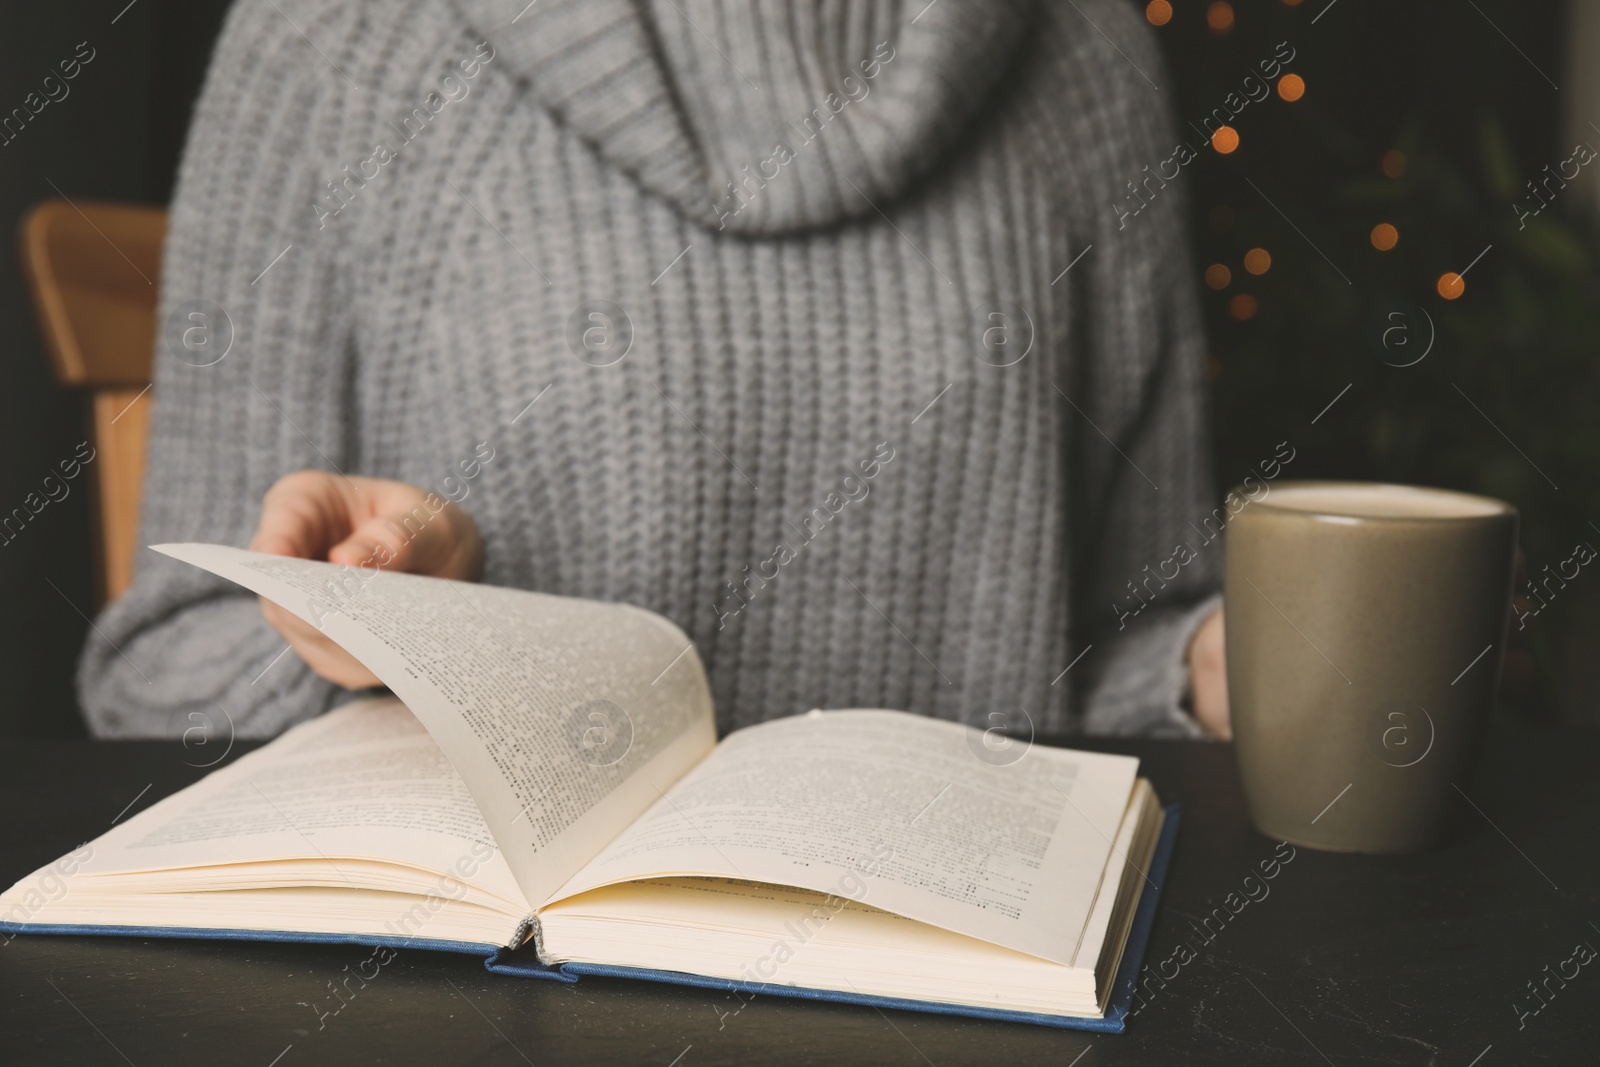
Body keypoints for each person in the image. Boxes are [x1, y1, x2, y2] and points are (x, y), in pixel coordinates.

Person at [78, 0, 1230, 742]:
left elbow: (1113, 651)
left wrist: (1211, 676)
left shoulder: (1088, 55)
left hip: (972, 990)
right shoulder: (335, 37)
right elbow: (157, 681)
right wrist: (377, 634)